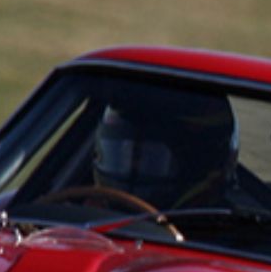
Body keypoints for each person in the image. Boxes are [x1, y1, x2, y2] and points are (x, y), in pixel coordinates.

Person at [91, 86, 238, 210]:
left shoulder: (234, 240)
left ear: (197, 164)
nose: (133, 165)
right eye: (121, 155)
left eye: (150, 158)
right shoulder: (85, 214)